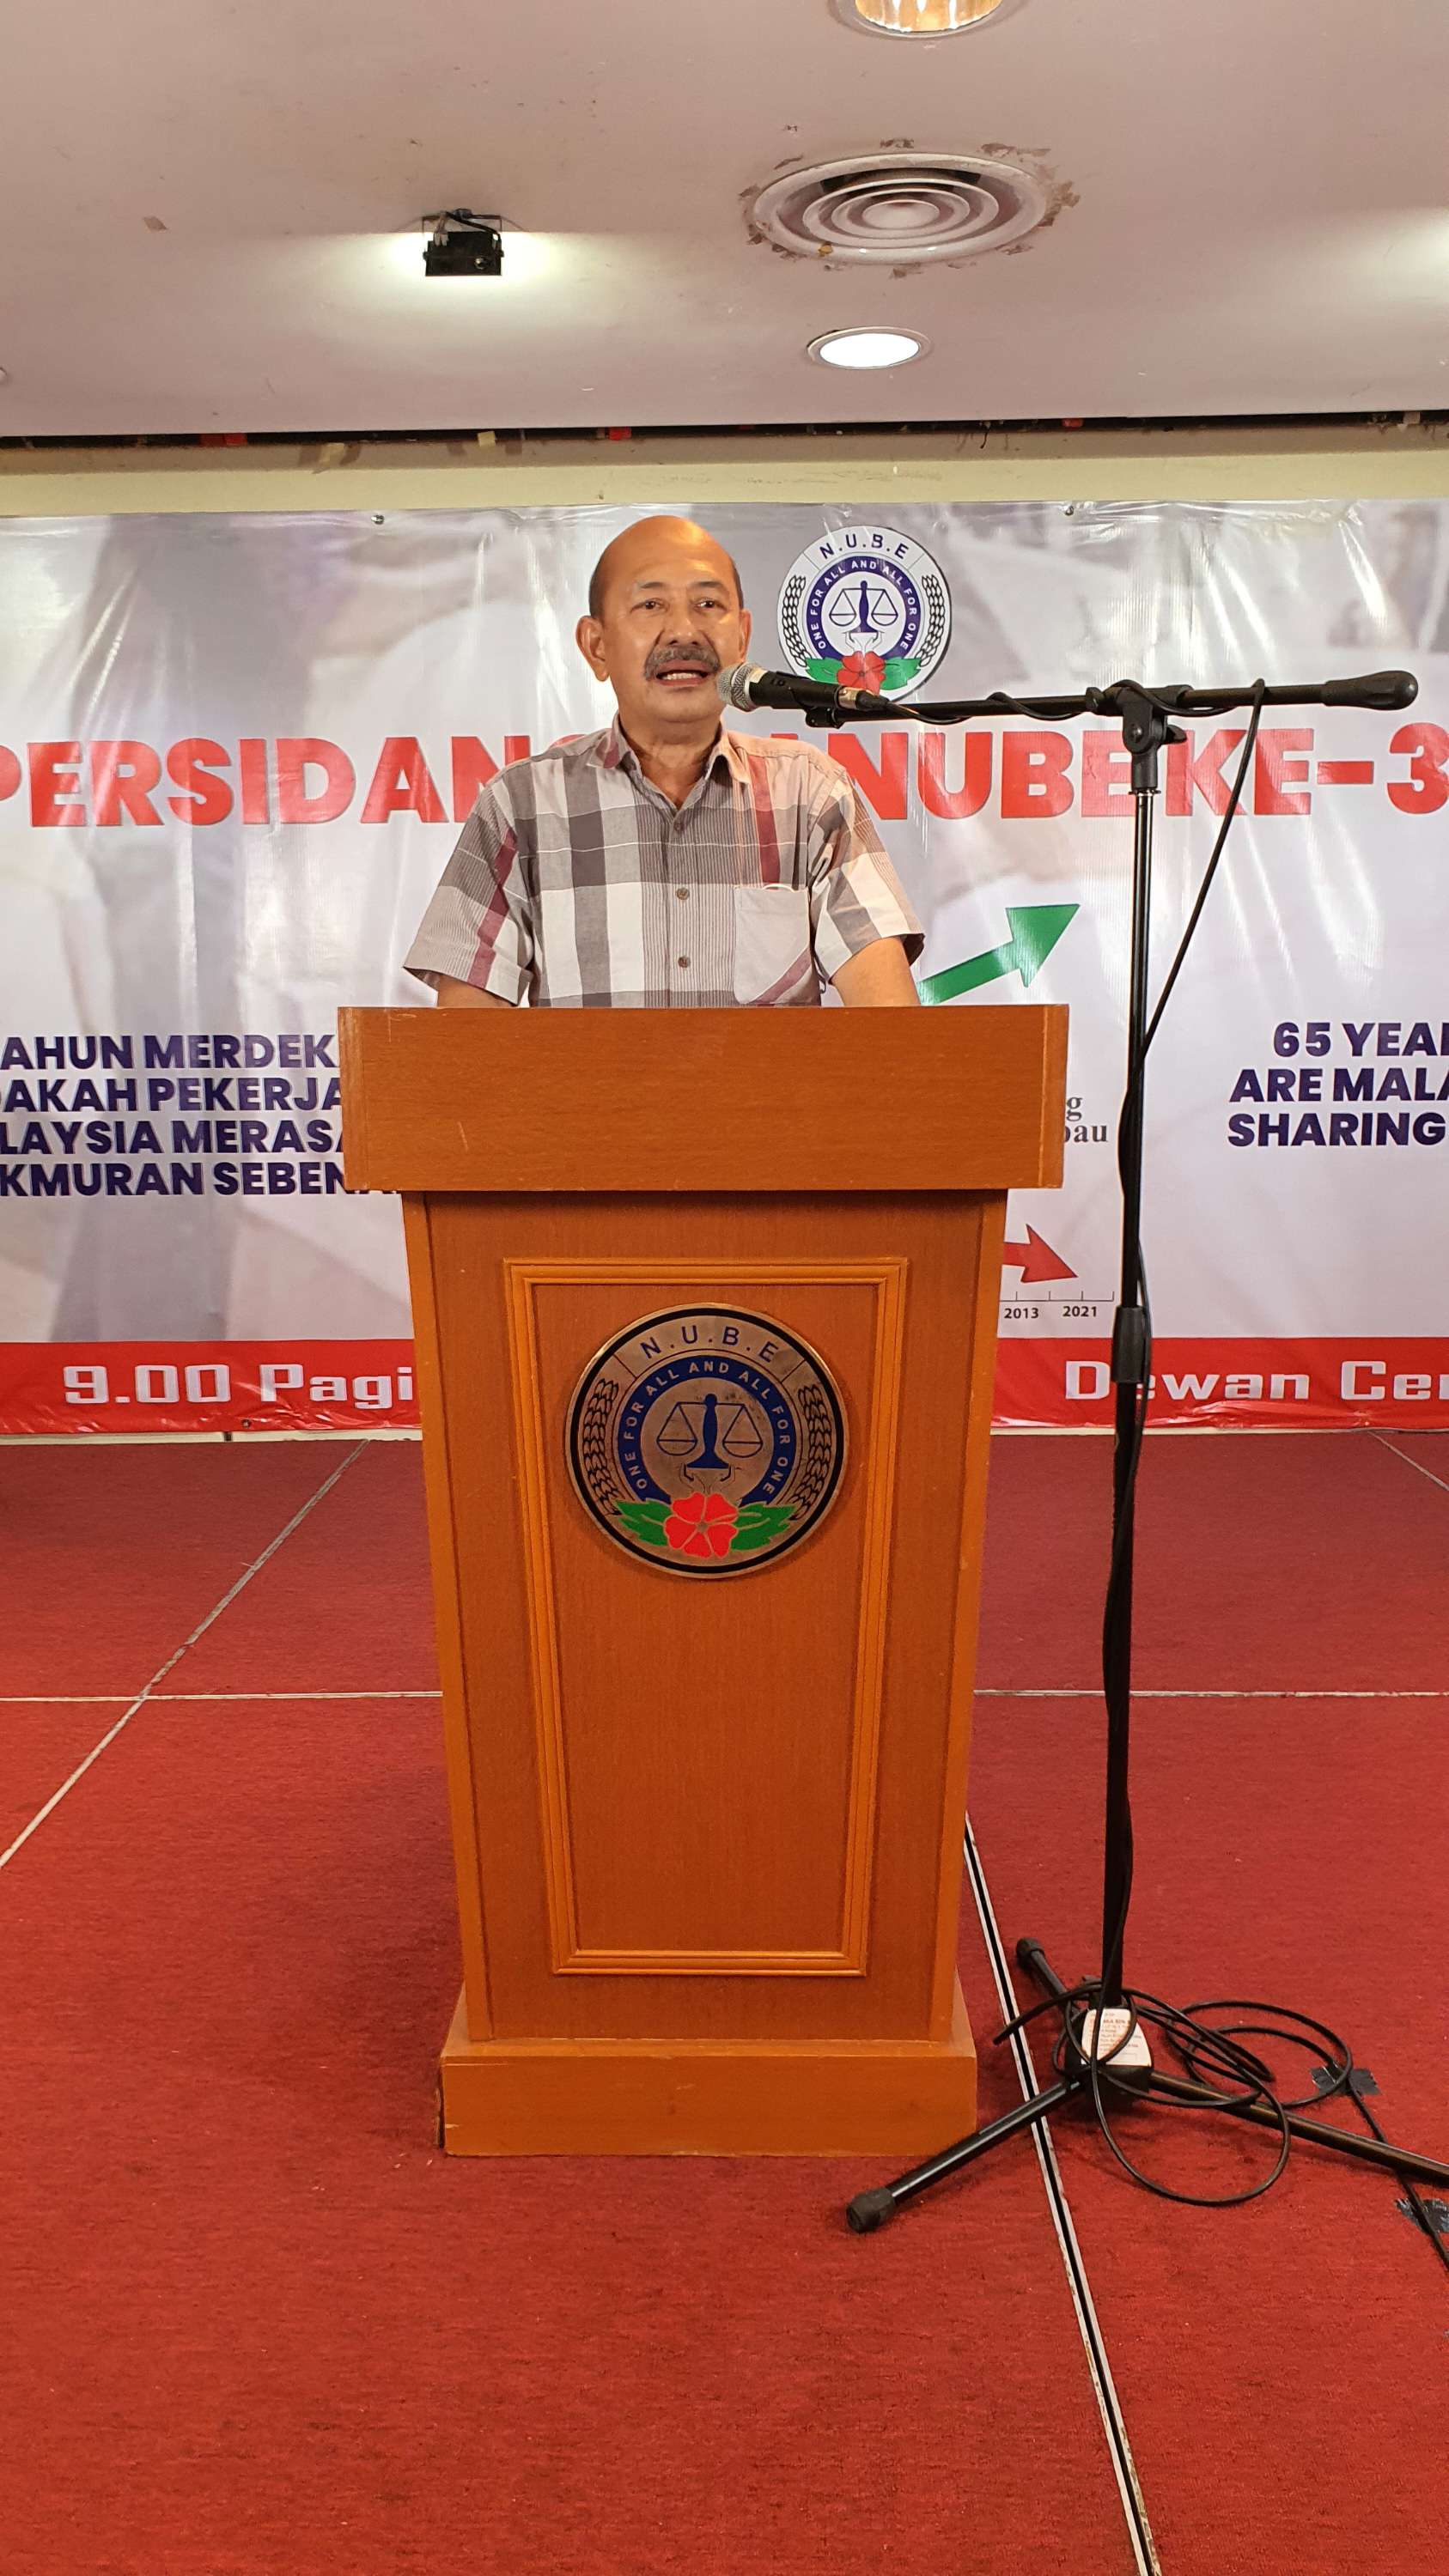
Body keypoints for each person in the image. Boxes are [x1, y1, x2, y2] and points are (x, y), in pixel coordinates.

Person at [404, 515, 923, 1009]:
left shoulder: (810, 791)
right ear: (596, 646)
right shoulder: (522, 804)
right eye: (651, 605)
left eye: (708, 604)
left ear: (742, 637)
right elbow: (463, 1041)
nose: (684, 631)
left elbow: (889, 1022)